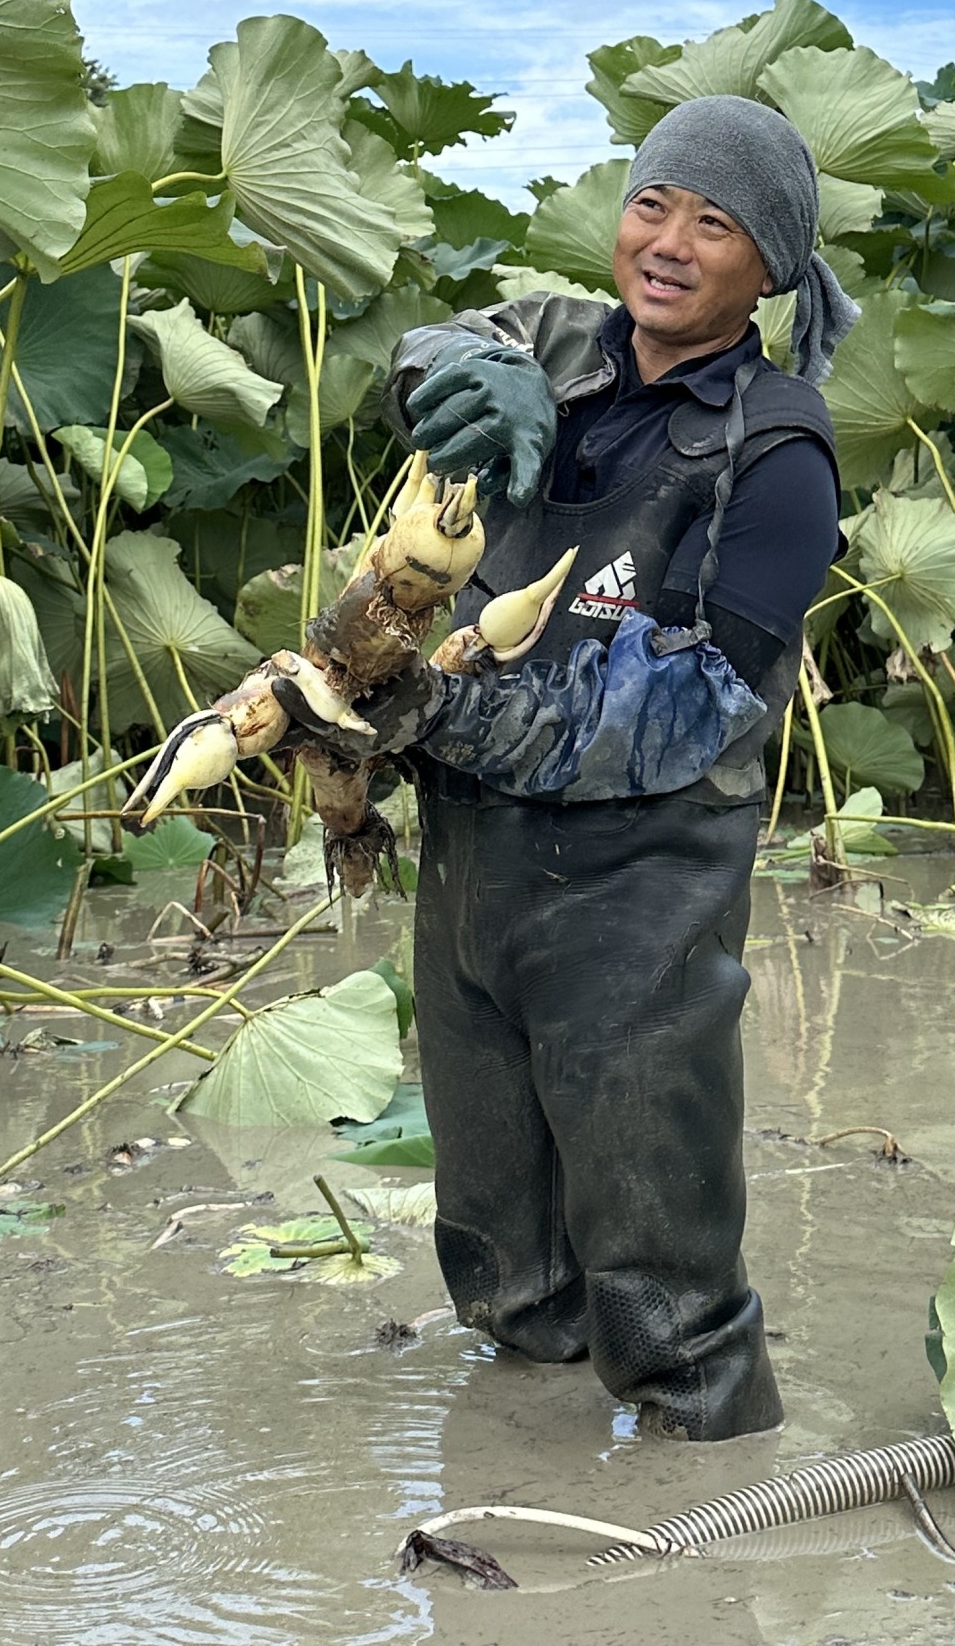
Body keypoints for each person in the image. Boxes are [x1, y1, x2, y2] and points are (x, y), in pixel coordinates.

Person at [359, 94, 851, 1441]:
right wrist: (462, 372)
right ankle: (530, 1518)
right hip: (471, 882)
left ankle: (705, 1519)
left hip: (638, 905)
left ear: (772, 271)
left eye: (718, 222)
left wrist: (438, 709)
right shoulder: (548, 336)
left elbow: (695, 706)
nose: (672, 242)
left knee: (669, 1302)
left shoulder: (777, 450)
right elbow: (421, 358)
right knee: (503, 1263)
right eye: (654, 203)